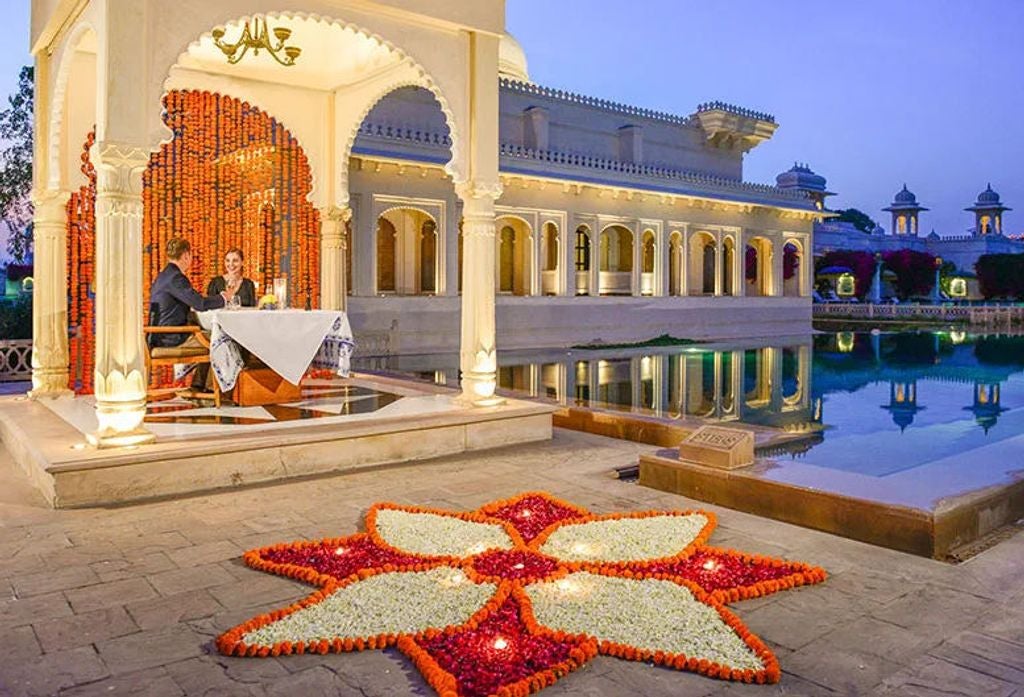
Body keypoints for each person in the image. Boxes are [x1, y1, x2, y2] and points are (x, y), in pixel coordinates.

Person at [149, 238, 235, 390]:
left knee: (210, 337)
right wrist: (224, 298)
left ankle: (198, 385)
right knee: (222, 339)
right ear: (186, 256)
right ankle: (212, 390)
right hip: (171, 338)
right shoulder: (176, 278)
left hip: (158, 336)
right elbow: (200, 304)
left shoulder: (164, 276)